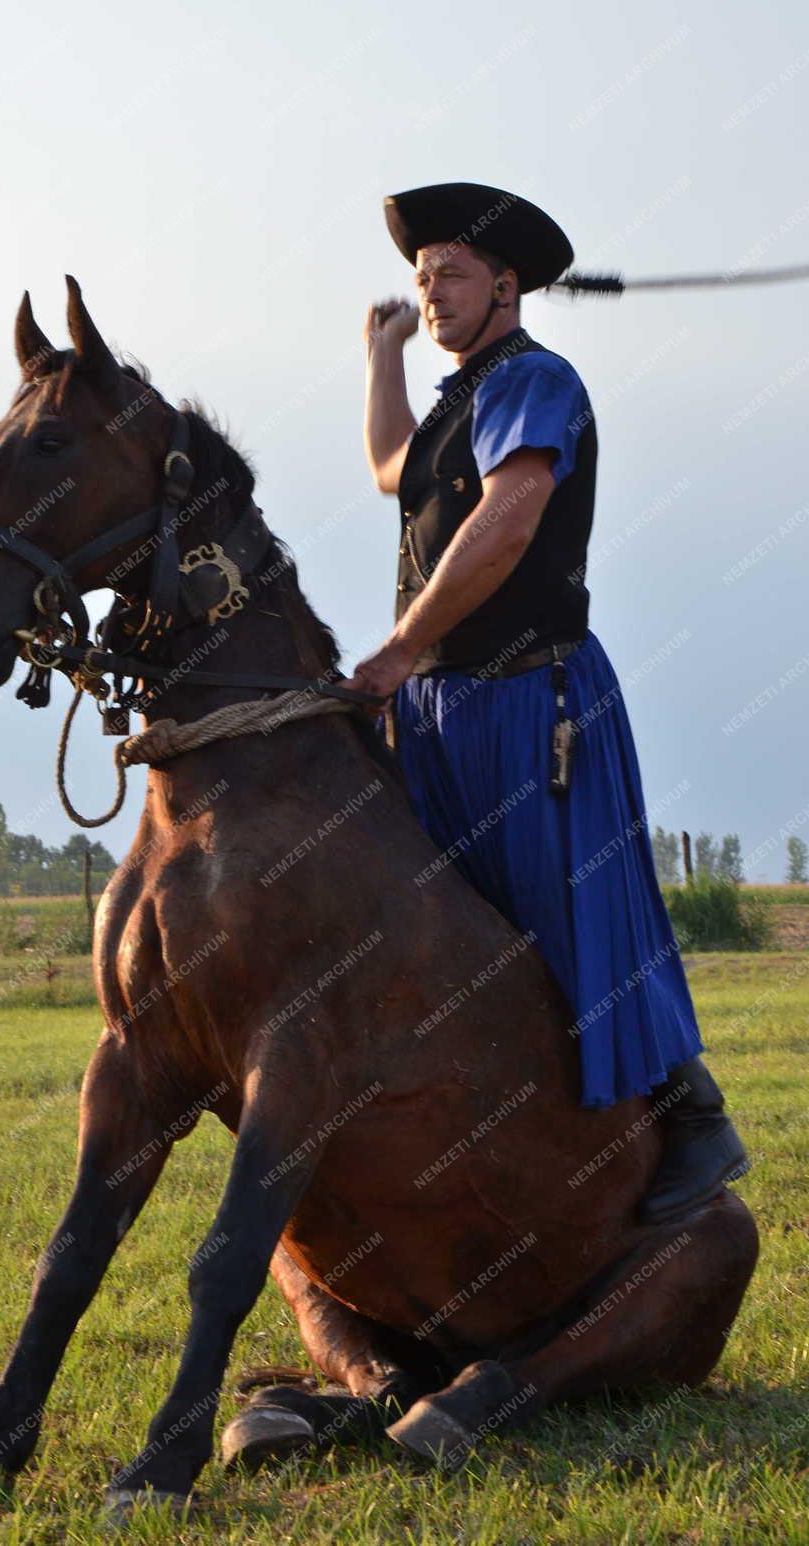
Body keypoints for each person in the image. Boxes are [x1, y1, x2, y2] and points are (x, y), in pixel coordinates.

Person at [344, 181, 748, 1224]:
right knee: (456, 925)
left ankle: (691, 1119)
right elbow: (394, 467)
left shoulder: (535, 381)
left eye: (451, 275)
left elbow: (509, 521)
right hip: (437, 706)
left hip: (532, 700)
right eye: (419, 276)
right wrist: (382, 357)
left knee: (567, 911)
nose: (429, 291)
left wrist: (399, 644)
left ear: (507, 286)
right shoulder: (454, 398)